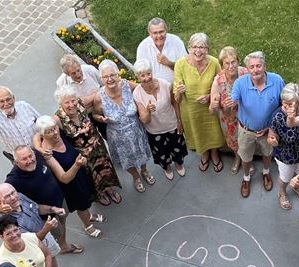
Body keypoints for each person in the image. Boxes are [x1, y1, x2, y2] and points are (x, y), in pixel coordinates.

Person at [33, 85, 122, 206]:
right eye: (67, 102)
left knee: (105, 170)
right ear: (61, 104)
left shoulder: (81, 103)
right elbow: (38, 134)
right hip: (83, 155)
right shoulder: (57, 118)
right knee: (92, 176)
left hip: (98, 147)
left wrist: (98, 110)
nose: (71, 105)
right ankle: (99, 194)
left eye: (73, 100)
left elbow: (98, 95)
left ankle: (109, 189)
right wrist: (38, 147)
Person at [0, 183, 83, 267]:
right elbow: (30, 242)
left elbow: (36, 207)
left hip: (44, 232)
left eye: (13, 192)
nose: (13, 197)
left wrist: (52, 209)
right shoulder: (6, 221)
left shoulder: (20, 197)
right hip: (34, 244)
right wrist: (47, 228)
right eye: (7, 196)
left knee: (51, 255)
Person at [36, 115, 105, 238]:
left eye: (55, 128)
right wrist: (77, 165)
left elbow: (39, 132)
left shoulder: (58, 133)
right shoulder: (48, 154)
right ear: (43, 135)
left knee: (87, 199)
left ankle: (89, 216)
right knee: (82, 205)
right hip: (72, 182)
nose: (55, 132)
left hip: (80, 174)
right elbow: (64, 178)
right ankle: (88, 225)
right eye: (49, 132)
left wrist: (37, 145)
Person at [93, 59, 155, 193]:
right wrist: (101, 119)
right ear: (101, 79)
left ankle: (144, 170)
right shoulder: (99, 97)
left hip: (136, 131)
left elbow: (142, 88)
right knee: (126, 160)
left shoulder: (128, 86)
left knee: (142, 153)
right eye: (105, 77)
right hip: (117, 137)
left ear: (118, 74)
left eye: (112, 75)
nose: (109, 79)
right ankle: (136, 177)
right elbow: (95, 115)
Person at [231, 51, 285, 198]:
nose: (255, 70)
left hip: (269, 129)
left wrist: (270, 128)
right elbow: (233, 100)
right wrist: (229, 103)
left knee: (267, 153)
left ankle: (266, 173)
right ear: (247, 69)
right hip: (246, 130)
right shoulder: (240, 83)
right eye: (252, 67)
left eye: (258, 66)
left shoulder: (277, 81)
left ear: (264, 66)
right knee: (246, 157)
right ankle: (246, 178)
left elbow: (283, 106)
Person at [174, 33, 224, 173]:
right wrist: (179, 91)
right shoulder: (180, 65)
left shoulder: (214, 63)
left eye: (202, 47)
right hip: (190, 110)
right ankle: (204, 153)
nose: (198, 50)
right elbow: (176, 98)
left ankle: (214, 153)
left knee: (213, 130)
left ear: (207, 49)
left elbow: (222, 86)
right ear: (189, 48)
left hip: (210, 108)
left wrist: (209, 96)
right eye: (194, 47)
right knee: (198, 132)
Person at [133, 59, 188, 180]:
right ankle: (167, 167)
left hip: (172, 124)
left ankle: (179, 164)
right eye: (142, 75)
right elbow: (144, 120)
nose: (146, 78)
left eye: (148, 73)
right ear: (137, 77)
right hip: (155, 130)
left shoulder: (165, 84)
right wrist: (147, 110)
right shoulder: (137, 93)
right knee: (161, 152)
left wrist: (179, 121)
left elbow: (175, 103)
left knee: (177, 148)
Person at [267, 83, 299, 209]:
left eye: (291, 103)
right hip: (285, 154)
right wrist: (273, 140)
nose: (286, 105)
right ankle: (282, 193)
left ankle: (297, 186)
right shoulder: (278, 116)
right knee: (285, 177)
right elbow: (271, 136)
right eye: (284, 102)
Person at [208, 46, 249, 175]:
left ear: (238, 62)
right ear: (222, 65)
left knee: (247, 140)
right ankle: (237, 159)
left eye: (233, 62)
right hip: (228, 118)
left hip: (246, 113)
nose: (231, 66)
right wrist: (214, 104)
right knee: (233, 141)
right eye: (227, 63)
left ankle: (247, 161)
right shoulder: (218, 81)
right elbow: (211, 110)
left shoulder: (245, 73)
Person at [55, 54, 107, 137]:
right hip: (81, 117)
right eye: (73, 73)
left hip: (99, 109)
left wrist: (84, 101)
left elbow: (105, 86)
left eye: (78, 70)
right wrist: (96, 96)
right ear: (67, 74)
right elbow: (63, 105)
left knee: (107, 133)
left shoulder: (90, 70)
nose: (78, 75)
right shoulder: (62, 82)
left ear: (80, 65)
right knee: (92, 140)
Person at [136, 17, 187, 84]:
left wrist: (169, 63)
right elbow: (140, 73)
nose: (159, 36)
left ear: (166, 30)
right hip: (153, 89)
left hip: (177, 88)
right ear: (150, 33)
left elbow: (186, 68)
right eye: (155, 33)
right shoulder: (143, 46)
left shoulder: (176, 41)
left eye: (161, 32)